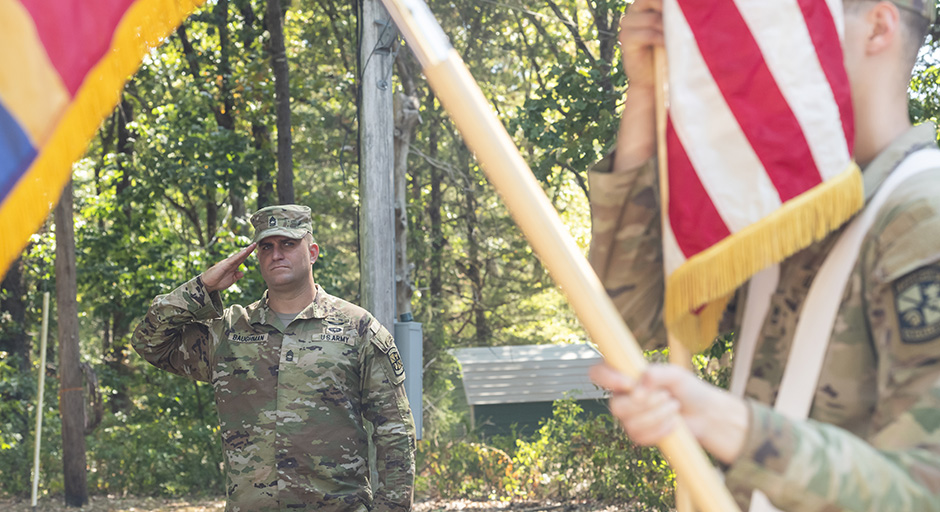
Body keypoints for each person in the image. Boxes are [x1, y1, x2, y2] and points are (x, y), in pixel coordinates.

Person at [588, 0, 940, 510]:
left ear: (878, 26)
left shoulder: (922, 215)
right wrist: (645, 92)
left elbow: (925, 491)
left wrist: (734, 427)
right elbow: (631, 317)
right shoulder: (779, 202)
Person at [132, 204, 416, 511]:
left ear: (312, 252)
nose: (276, 254)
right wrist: (203, 287)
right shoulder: (229, 332)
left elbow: (395, 431)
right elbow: (150, 342)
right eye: (266, 246)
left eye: (288, 244)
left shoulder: (357, 328)